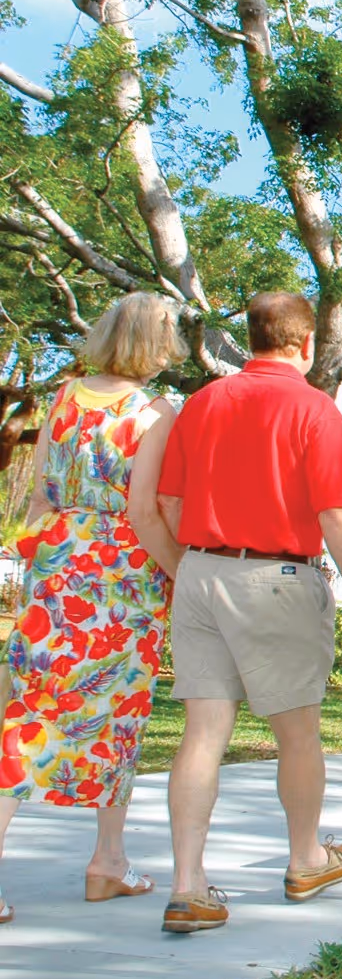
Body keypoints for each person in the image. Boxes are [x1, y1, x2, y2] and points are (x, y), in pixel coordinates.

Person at [155, 292, 342, 934]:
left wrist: (194, 571)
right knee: (297, 734)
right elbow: (336, 513)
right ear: (305, 344)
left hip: (198, 571)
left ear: (251, 339)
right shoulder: (315, 409)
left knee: (202, 734)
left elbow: (170, 504)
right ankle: (307, 858)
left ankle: (188, 886)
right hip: (277, 577)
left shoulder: (203, 403)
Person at [0, 293, 186, 923]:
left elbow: (41, 492)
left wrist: (39, 558)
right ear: (154, 343)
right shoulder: (154, 412)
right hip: (120, 576)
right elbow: (144, 512)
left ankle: (107, 860)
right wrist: (181, 573)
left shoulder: (66, 397)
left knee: (27, 708)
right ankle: (106, 861)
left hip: (58, 563)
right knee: (120, 713)